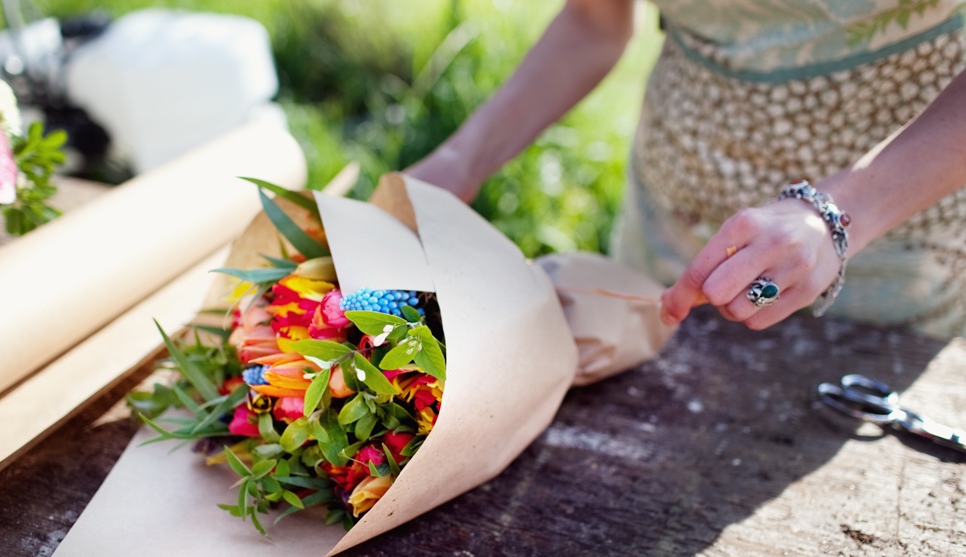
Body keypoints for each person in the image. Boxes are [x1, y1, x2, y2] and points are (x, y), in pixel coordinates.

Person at [407, 0, 966, 339]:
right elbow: (594, 22)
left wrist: (840, 216)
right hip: (667, 217)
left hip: (888, 249)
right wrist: (462, 160)